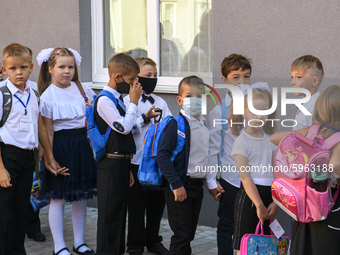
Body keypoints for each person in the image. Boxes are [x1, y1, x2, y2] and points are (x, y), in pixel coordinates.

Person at [0, 43, 63, 255]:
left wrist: (48, 157)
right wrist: (1, 169)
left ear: (30, 67)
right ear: (4, 69)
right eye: (12, 68)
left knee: (21, 210)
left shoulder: (35, 91)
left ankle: (18, 251)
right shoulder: (1, 94)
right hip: (7, 157)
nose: (18, 72)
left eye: (23, 67)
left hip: (29, 157)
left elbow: (41, 127)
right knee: (4, 213)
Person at [37, 47, 97, 255]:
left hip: (82, 145)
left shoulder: (82, 89)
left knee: (81, 196)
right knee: (58, 197)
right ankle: (59, 246)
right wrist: (49, 157)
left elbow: (93, 116)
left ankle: (79, 243)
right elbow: (48, 131)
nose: (67, 71)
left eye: (70, 67)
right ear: (50, 69)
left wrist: (90, 108)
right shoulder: (48, 96)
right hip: (62, 147)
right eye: (61, 67)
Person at [270, 85, 340, 255]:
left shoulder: (310, 131)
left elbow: (274, 138)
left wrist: (309, 148)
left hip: (304, 203)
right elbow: (335, 165)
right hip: (329, 207)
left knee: (303, 246)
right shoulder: (338, 138)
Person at [96, 53, 142, 255]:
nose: (135, 84)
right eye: (131, 79)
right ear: (117, 77)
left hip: (122, 163)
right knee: (109, 215)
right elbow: (123, 127)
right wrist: (134, 102)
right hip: (111, 164)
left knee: (119, 213)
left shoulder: (119, 99)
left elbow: (128, 130)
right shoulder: (104, 100)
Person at [157, 75, 209, 255]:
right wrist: (176, 185)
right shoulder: (176, 124)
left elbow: (206, 156)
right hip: (180, 186)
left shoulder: (204, 125)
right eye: (189, 96)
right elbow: (162, 156)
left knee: (188, 234)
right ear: (179, 100)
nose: (194, 100)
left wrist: (211, 184)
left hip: (197, 186)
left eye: (199, 96)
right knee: (181, 234)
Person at [124, 57, 171, 255]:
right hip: (135, 162)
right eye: (147, 75)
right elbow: (126, 128)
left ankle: (153, 240)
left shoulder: (160, 101)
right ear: (135, 78)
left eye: (154, 75)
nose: (152, 79)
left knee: (156, 205)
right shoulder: (127, 101)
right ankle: (135, 244)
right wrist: (146, 118)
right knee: (136, 206)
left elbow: (168, 126)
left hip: (156, 163)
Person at [206, 54, 251, 255]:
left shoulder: (258, 107)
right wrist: (211, 181)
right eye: (236, 77)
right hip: (231, 178)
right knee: (227, 225)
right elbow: (213, 148)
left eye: (246, 76)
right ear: (224, 80)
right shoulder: (219, 111)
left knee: (251, 224)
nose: (242, 82)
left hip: (255, 177)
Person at [229, 84, 278, 255]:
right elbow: (245, 178)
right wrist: (258, 204)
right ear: (244, 112)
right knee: (246, 246)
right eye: (254, 110)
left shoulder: (272, 141)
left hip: (270, 198)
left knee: (267, 246)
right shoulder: (242, 142)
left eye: (264, 111)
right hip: (250, 200)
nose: (259, 115)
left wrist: (276, 202)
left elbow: (277, 174)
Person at [290, 55, 324, 130]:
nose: (292, 82)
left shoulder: (315, 109)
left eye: (298, 77)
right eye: (292, 77)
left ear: (314, 81)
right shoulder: (307, 105)